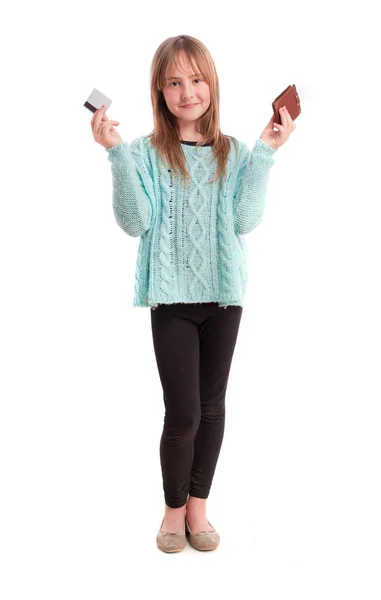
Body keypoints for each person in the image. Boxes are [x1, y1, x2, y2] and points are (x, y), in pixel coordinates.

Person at [91, 35, 296, 553]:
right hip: (171, 298)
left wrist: (267, 153)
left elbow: (245, 220)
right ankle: (172, 510)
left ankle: (199, 507)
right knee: (182, 411)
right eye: (175, 82)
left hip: (225, 296)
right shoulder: (144, 152)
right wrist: (115, 155)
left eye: (197, 79)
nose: (188, 92)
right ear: (160, 91)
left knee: (212, 406)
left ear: (212, 84)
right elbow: (136, 222)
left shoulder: (234, 152)